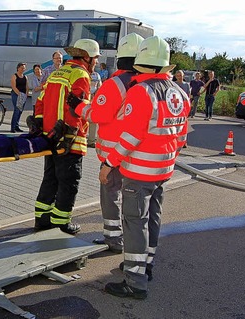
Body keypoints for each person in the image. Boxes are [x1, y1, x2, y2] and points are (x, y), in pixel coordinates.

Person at [103, 36, 190, 300]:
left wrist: (109, 163)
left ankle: (134, 281)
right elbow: (183, 135)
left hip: (139, 171)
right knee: (153, 217)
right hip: (164, 169)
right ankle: (145, 265)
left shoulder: (140, 91)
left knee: (134, 222)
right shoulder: (179, 92)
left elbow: (131, 136)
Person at [72, 33, 144, 253]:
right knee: (133, 202)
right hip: (136, 155)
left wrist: (77, 106)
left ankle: (113, 239)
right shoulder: (144, 83)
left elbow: (97, 115)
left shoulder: (115, 84)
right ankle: (130, 240)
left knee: (111, 196)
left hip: (113, 155)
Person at [33, 39, 99, 235]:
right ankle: (61, 224)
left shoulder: (56, 73)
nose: (95, 61)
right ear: (87, 57)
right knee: (69, 181)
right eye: (94, 58)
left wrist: (39, 122)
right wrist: (70, 134)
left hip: (50, 137)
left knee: (50, 178)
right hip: (70, 140)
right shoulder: (81, 75)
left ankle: (42, 220)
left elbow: (40, 102)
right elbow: (77, 107)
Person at [86, 69, 102, 146]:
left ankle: (91, 141)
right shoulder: (82, 73)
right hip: (83, 100)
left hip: (93, 101)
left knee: (93, 120)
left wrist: (95, 96)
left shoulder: (97, 75)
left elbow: (100, 87)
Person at [10, 62, 28, 133]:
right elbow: (13, 87)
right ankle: (13, 127)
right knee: (16, 110)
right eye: (22, 68)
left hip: (23, 95)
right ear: (18, 68)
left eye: (24, 68)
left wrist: (26, 94)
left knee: (20, 111)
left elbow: (27, 86)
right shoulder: (14, 76)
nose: (23, 69)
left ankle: (17, 126)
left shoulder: (25, 76)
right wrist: (19, 94)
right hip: (16, 94)